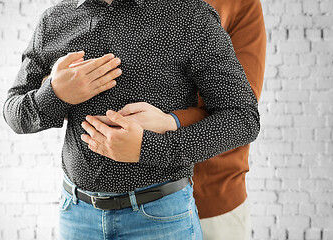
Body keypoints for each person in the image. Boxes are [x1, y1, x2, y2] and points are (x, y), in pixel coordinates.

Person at [2, 0, 260, 239]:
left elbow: (242, 118)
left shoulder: (189, 16)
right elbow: (14, 112)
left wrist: (149, 148)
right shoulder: (55, 20)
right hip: (77, 216)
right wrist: (55, 94)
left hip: (162, 217)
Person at [80, 0, 267, 239]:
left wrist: (170, 121)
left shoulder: (236, 4)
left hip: (212, 193)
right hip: (105, 203)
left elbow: (238, 108)